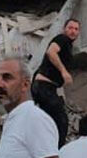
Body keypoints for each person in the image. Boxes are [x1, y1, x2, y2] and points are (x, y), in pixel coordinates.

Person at [31, 18, 79, 147]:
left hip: (45, 87)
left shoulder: (68, 46)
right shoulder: (62, 39)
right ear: (64, 29)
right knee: (61, 121)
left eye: (76, 29)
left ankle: (43, 147)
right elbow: (51, 52)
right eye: (70, 28)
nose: (73, 31)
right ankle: (57, 153)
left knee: (48, 121)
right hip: (44, 87)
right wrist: (64, 71)